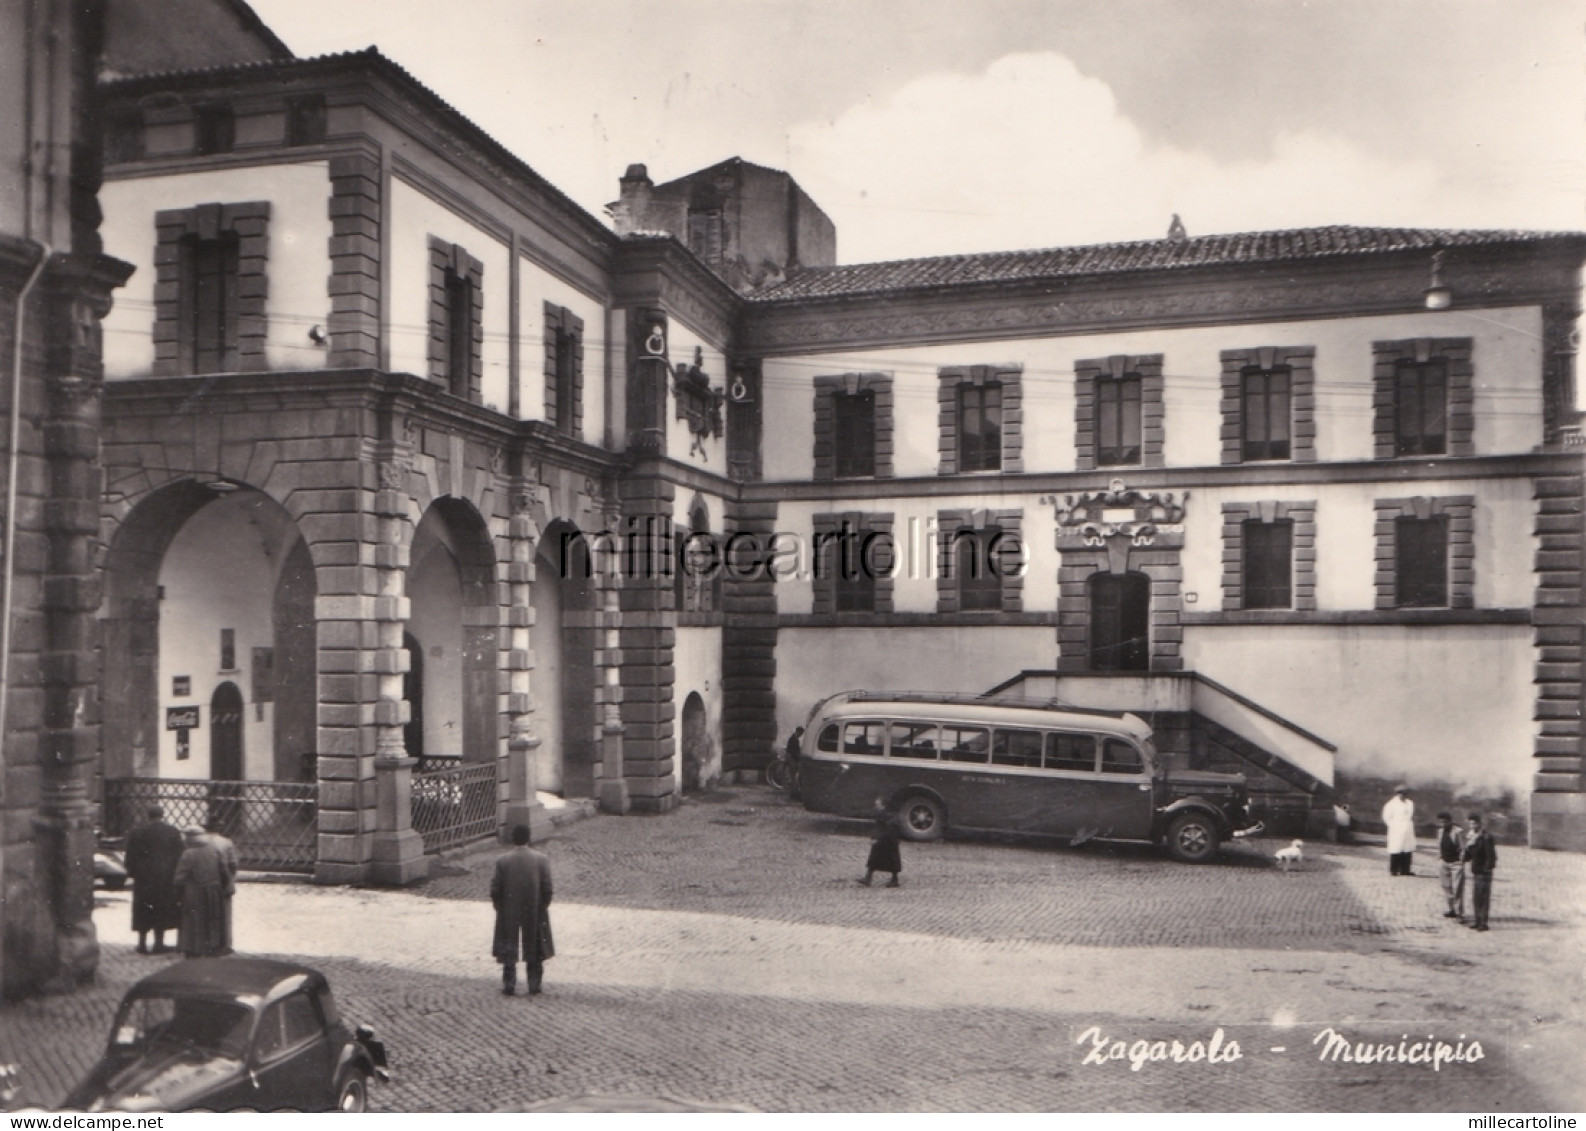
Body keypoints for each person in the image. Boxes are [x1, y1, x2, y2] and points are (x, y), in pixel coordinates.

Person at [491, 824, 554, 996]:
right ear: (529, 838)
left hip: (509, 908)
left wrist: (500, 908)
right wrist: (542, 906)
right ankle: (534, 983)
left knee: (509, 943)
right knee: (534, 943)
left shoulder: (502, 861)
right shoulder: (541, 860)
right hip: (533, 908)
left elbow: (495, 889)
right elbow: (547, 888)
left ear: (513, 839)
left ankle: (509, 984)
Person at [124, 805, 184, 954]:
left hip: (143, 879)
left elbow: (129, 856)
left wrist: (133, 872)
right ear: (162, 815)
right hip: (165, 878)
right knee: (162, 908)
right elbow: (179, 855)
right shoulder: (172, 832)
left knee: (143, 909)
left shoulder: (137, 832)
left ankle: (142, 944)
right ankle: (159, 943)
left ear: (148, 815)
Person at [173, 825, 230, 958]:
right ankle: (212, 946)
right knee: (212, 919)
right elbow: (224, 872)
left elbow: (179, 877)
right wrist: (222, 886)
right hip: (214, 891)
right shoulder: (215, 850)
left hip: (194, 893)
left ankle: (194, 949)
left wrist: (177, 892)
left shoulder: (188, 854)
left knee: (194, 921)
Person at [205, 819, 240, 956]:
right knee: (225, 914)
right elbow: (233, 863)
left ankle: (208, 942)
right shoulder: (226, 842)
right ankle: (224, 944)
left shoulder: (203, 842)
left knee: (208, 912)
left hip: (208, 880)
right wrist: (231, 879)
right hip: (222, 880)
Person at [1462, 812, 1497, 931]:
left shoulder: (1486, 837)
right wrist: (1464, 856)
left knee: (1483, 897)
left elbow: (1491, 855)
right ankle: (1477, 921)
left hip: (1484, 872)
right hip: (1476, 871)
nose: (1472, 826)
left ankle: (1484, 923)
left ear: (1479, 824)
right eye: (1470, 824)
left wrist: (1487, 868)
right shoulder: (1472, 837)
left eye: (1474, 823)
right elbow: (1470, 854)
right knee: (1476, 897)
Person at [860, 799, 902, 888]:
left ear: (883, 805)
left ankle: (893, 880)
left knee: (889, 860)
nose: (876, 806)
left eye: (877, 804)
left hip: (889, 840)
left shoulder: (889, 815)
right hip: (886, 840)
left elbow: (885, 828)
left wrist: (876, 837)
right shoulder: (885, 814)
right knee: (875, 859)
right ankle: (868, 877)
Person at [1435, 811, 1466, 921]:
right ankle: (1451, 909)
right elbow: (1439, 846)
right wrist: (1440, 859)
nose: (1442, 824)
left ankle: (1460, 913)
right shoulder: (1440, 832)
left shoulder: (1458, 832)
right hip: (1444, 862)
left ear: (1450, 821)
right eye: (1440, 822)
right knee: (1446, 887)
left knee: (1457, 888)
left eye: (1444, 822)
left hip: (1455, 863)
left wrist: (1461, 863)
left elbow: (1462, 848)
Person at [1381, 785, 1416, 876]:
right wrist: (1393, 826)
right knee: (1396, 849)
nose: (1403, 795)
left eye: (1404, 793)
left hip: (1407, 828)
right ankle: (1394, 870)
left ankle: (1405, 870)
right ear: (1397, 794)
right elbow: (1386, 817)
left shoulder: (1410, 803)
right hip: (1396, 828)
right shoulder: (1391, 804)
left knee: (1407, 849)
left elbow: (1410, 815)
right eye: (1400, 793)